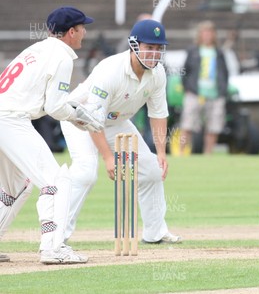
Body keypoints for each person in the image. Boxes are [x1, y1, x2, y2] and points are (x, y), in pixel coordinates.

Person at [59, 19, 182, 245]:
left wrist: (161, 154)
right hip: (79, 118)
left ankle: (155, 233)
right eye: (149, 48)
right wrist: (108, 157)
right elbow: (93, 118)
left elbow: (158, 114)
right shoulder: (110, 70)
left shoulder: (158, 74)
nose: (154, 54)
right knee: (86, 173)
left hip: (115, 121)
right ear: (134, 45)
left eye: (158, 49)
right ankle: (57, 237)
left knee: (153, 171)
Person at [0, 6, 102, 264]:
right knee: (57, 181)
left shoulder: (36, 49)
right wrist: (78, 115)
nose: (84, 33)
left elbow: (49, 103)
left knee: (16, 188)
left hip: (6, 116)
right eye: (82, 28)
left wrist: (75, 112)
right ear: (71, 32)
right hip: (11, 119)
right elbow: (55, 108)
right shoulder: (62, 56)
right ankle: (53, 247)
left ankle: (51, 245)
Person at [179, 20, 229, 154]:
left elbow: (225, 73)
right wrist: (188, 88)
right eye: (204, 32)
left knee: (213, 127)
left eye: (210, 32)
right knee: (187, 125)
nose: (207, 35)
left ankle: (208, 155)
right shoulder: (193, 51)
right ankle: (181, 153)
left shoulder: (219, 53)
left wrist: (223, 91)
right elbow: (185, 72)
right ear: (200, 35)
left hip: (215, 94)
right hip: (195, 93)